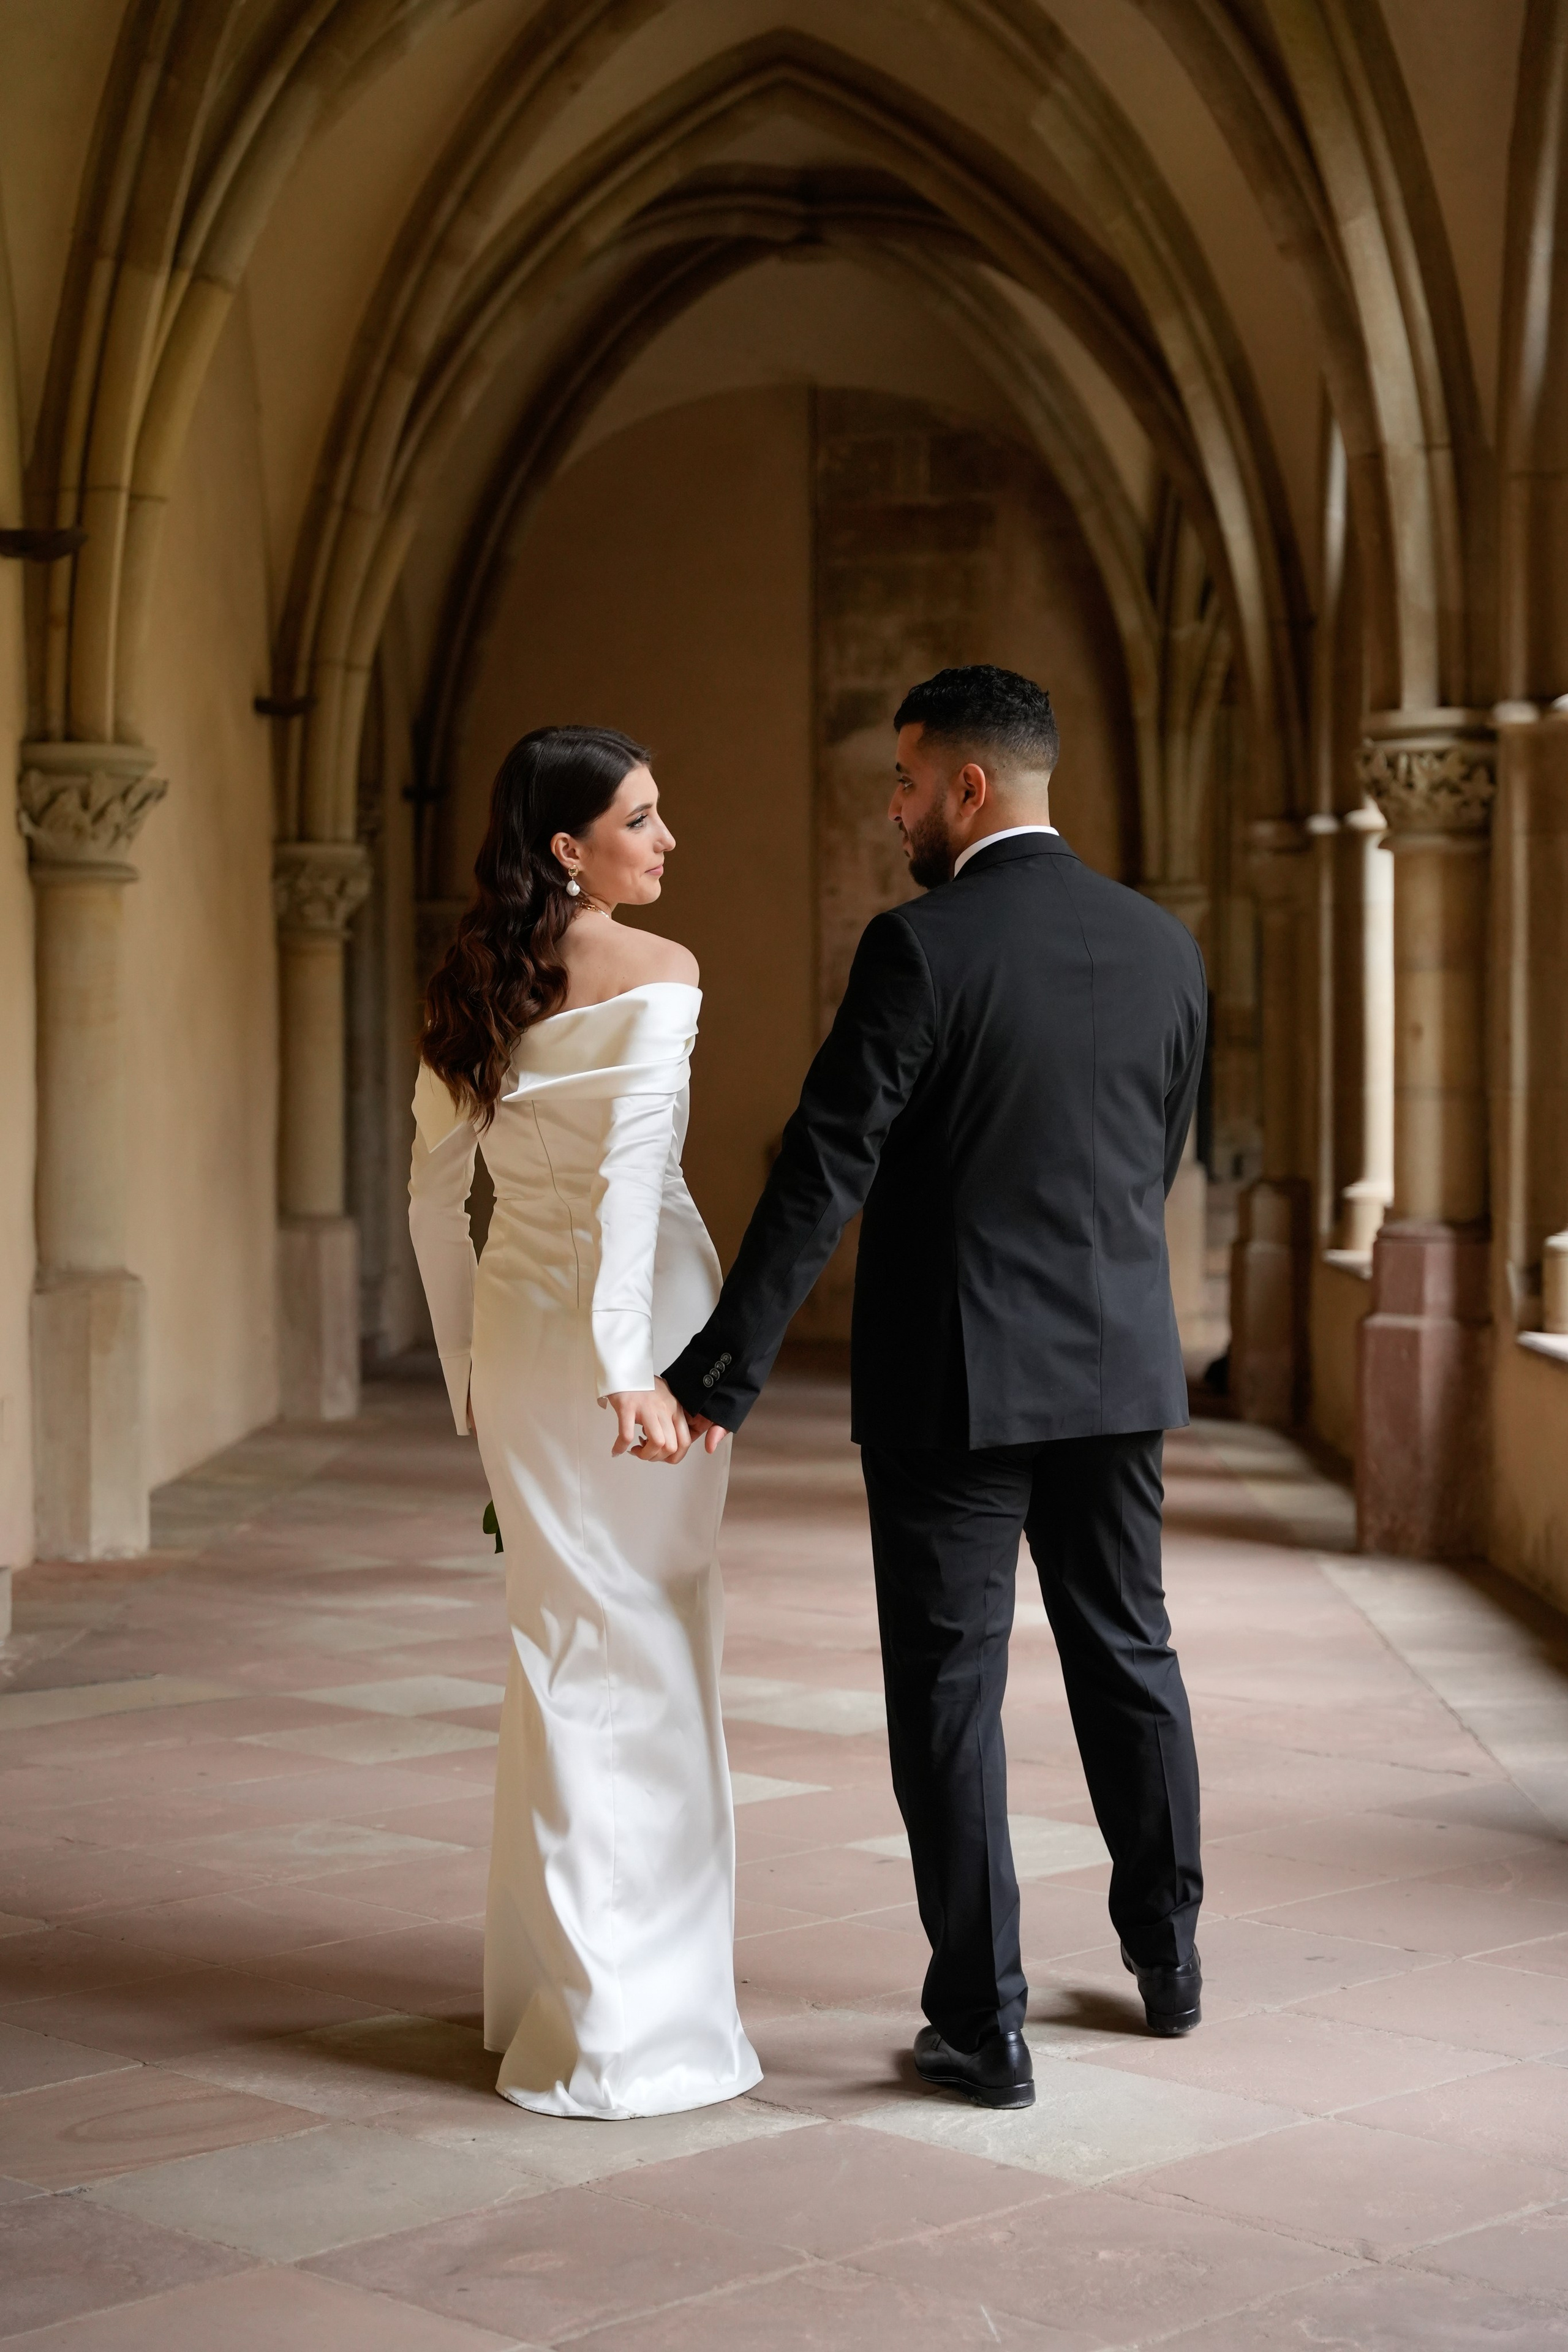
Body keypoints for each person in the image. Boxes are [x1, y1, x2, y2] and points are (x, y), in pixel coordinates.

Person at [663, 665, 1207, 2111]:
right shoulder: (1161, 945)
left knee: (952, 1693)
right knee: (1128, 1653)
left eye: (904, 784)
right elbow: (1154, 1155)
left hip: (953, 1381)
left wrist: (720, 1372)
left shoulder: (918, 946)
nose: (893, 811)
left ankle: (984, 2024)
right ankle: (1166, 1960)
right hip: (1116, 1367)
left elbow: (821, 1166)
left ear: (968, 786)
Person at [408, 724, 760, 2120]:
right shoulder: (661, 971)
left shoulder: (475, 979)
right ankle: (630, 2031)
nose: (666, 839)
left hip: (521, 1335)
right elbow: (628, 1179)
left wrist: (465, 1369)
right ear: (569, 847)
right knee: (652, 1640)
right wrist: (631, 1369)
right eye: (640, 818)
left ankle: (552, 2001)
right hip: (640, 1335)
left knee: (561, 1642)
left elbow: (433, 1198)